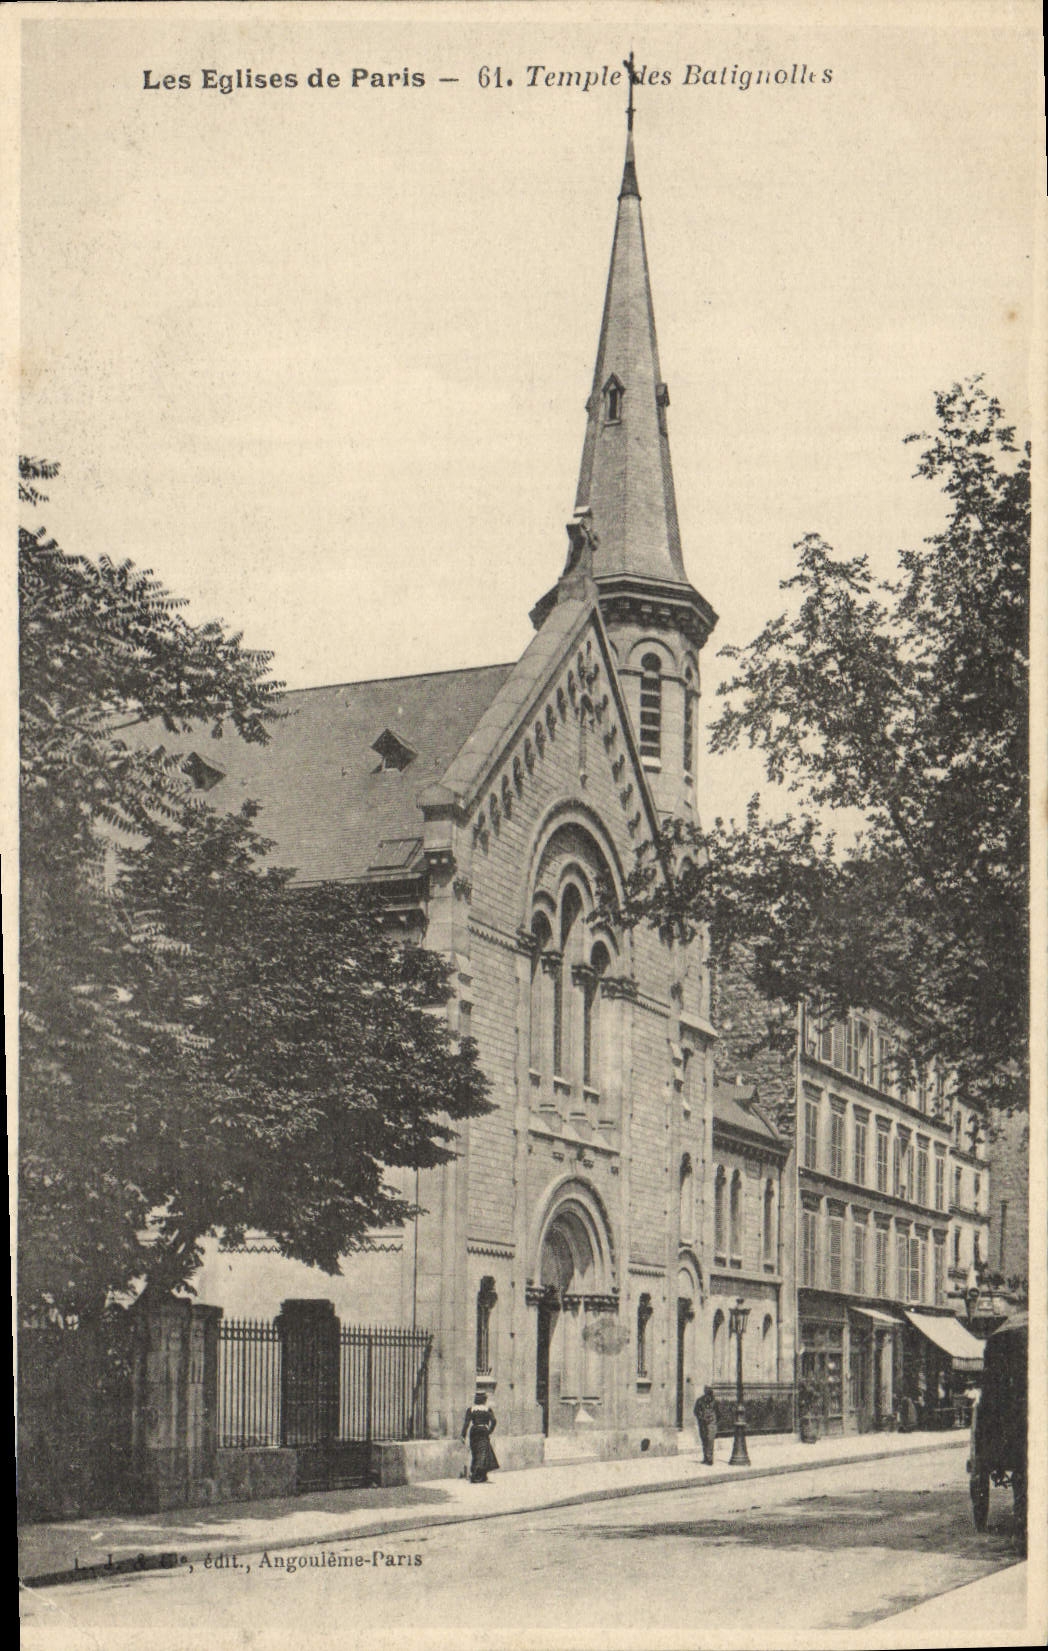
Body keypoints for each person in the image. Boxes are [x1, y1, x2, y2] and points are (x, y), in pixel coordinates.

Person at [461, 1391, 499, 1483]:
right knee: (483, 1452)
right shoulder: (488, 1409)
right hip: (483, 1431)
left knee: (475, 1452)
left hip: (474, 1431)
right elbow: (494, 1421)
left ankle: (480, 1474)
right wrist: (489, 1431)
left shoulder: (471, 1409)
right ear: (484, 1400)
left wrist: (463, 1435)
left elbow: (466, 1423)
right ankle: (477, 1475)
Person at [693, 1385, 718, 1465]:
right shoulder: (700, 1401)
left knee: (710, 1440)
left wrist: (714, 1420)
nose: (709, 1395)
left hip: (712, 1423)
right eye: (707, 1392)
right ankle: (706, 1458)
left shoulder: (714, 1401)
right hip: (702, 1423)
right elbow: (696, 1411)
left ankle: (709, 1459)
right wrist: (701, 1418)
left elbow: (718, 1412)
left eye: (710, 1392)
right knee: (704, 1440)